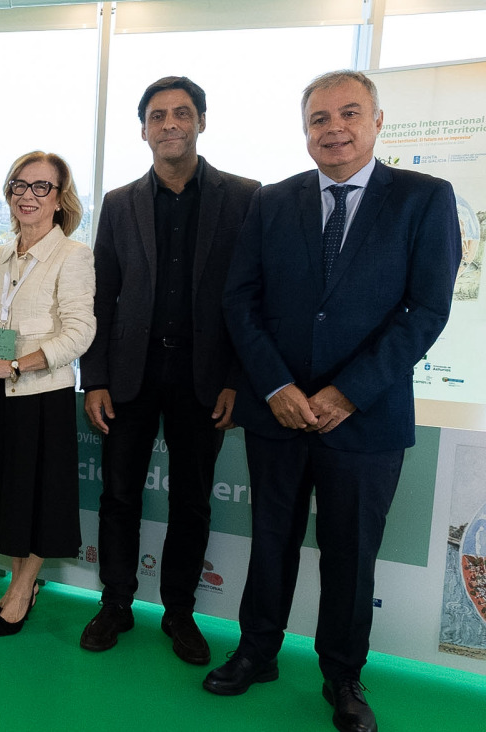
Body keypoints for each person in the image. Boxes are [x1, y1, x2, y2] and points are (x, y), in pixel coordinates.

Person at [208, 70, 459, 732]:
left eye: (349, 113)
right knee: (271, 542)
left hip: (367, 417)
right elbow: (241, 299)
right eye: (319, 118)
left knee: (351, 556)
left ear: (378, 122)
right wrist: (276, 386)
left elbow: (427, 310)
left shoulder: (424, 199)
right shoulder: (273, 201)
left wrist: (348, 391)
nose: (334, 128)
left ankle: (343, 676)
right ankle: (257, 652)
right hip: (277, 412)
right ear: (306, 131)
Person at [79, 77, 260, 663]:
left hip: (205, 378)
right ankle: (116, 603)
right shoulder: (119, 202)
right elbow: (102, 296)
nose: (170, 124)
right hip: (130, 373)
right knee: (119, 495)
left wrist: (237, 378)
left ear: (202, 122)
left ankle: (179, 612)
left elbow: (251, 297)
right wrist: (97, 377)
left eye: (182, 113)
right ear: (143, 130)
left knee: (192, 501)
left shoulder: (244, 197)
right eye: (158, 116)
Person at [0, 151, 95, 637]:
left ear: (60, 199)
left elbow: (80, 334)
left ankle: (22, 589)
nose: (28, 196)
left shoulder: (74, 255)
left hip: (43, 397)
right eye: (20, 185)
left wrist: (18, 364)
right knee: (8, 496)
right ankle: (22, 583)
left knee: (38, 498)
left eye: (41, 187)